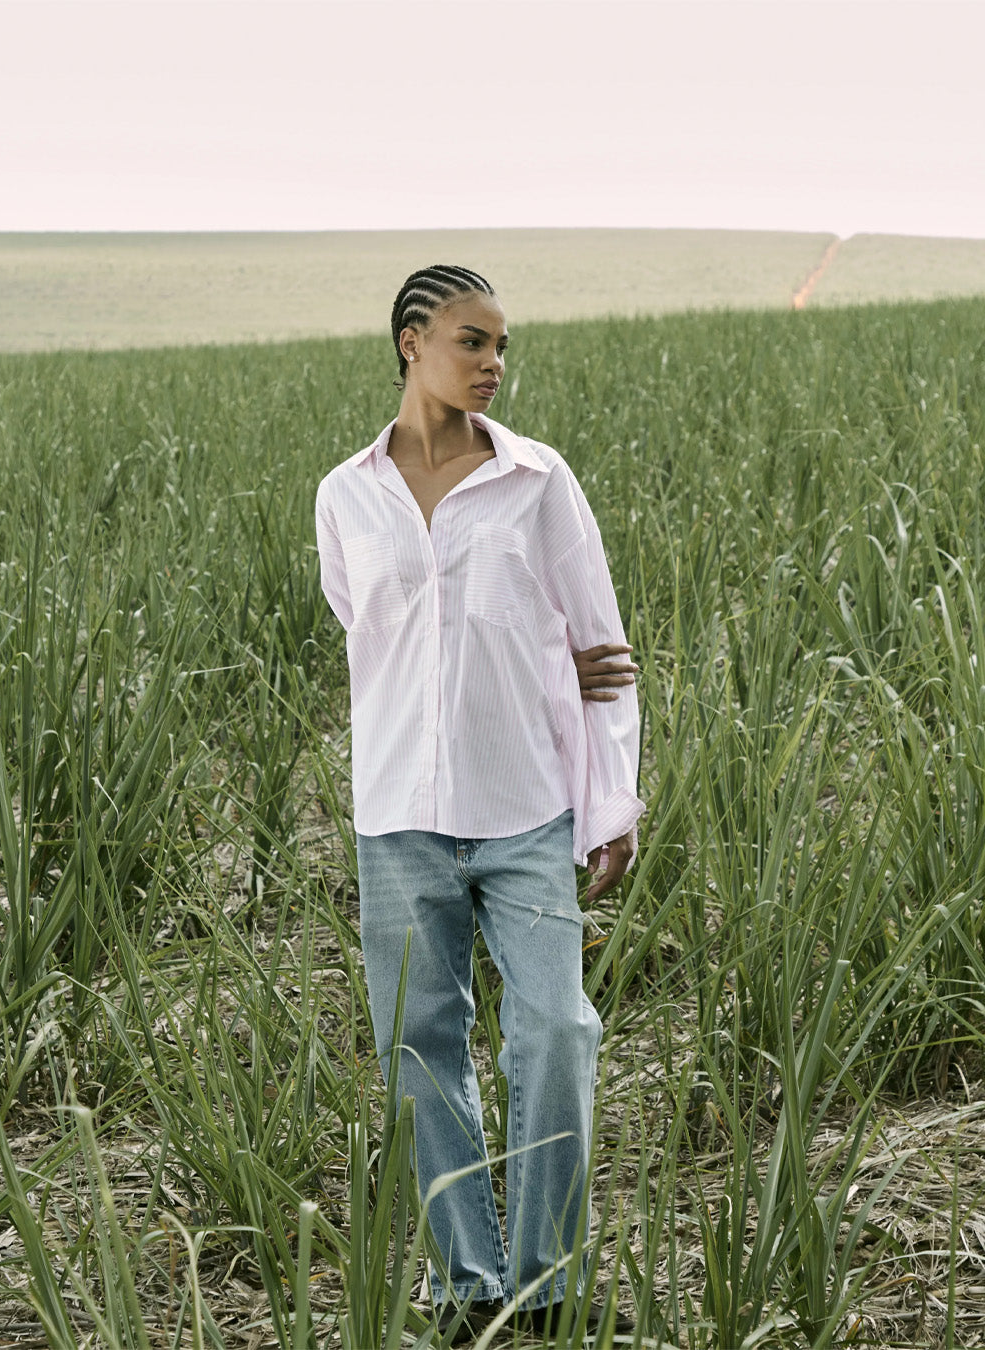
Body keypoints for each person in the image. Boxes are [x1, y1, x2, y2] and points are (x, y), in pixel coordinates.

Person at [315, 265, 643, 1339]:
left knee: (555, 1029)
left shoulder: (540, 482)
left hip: (528, 811)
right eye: (474, 340)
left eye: (504, 346)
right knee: (422, 1047)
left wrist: (613, 802)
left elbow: (602, 648)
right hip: (398, 817)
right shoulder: (345, 493)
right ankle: (469, 1284)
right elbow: (371, 638)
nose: (494, 363)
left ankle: (545, 1283)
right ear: (413, 341)